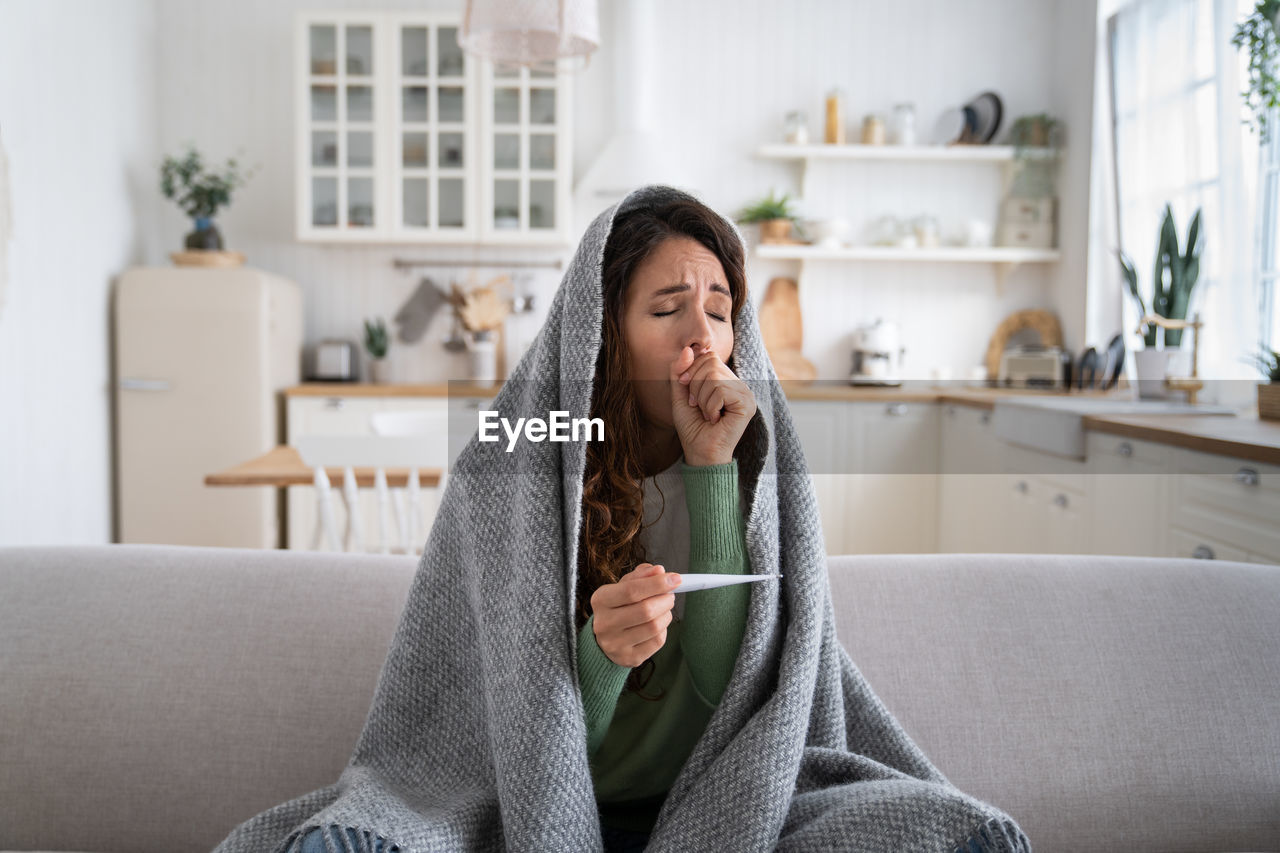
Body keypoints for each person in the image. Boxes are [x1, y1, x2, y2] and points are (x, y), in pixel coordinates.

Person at [214, 186, 1031, 853]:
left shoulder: (755, 463)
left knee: (959, 835)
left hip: (733, 798)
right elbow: (531, 736)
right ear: (599, 337)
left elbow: (731, 691)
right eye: (667, 307)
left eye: (719, 309)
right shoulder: (515, 464)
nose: (701, 335)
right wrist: (601, 656)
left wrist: (711, 467)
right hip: (517, 800)